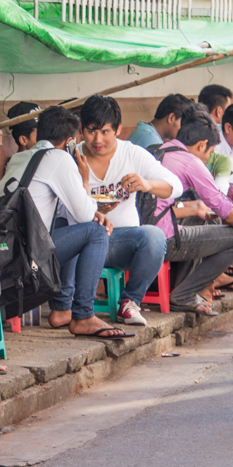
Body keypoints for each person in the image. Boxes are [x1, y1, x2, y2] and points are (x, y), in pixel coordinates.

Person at [0, 105, 126, 340]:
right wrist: (85, 181)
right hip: (25, 259)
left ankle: (62, 309)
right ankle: (83, 316)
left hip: (3, 252)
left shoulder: (21, 157)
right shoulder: (59, 158)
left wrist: (90, 211)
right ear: (70, 142)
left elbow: (60, 208)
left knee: (72, 225)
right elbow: (82, 215)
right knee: (96, 233)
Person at [77, 95, 178, 326]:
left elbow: (175, 186)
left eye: (105, 132)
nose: (97, 139)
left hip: (120, 242)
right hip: (82, 242)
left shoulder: (131, 153)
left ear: (118, 129)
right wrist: (91, 207)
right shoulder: (73, 157)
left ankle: (129, 303)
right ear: (81, 129)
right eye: (91, 131)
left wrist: (147, 184)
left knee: (154, 236)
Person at [153, 114, 233, 316]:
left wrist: (195, 208)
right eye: (210, 152)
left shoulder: (160, 151)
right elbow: (226, 212)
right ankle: (185, 294)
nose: (208, 158)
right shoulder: (191, 162)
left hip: (147, 232)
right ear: (202, 145)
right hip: (163, 239)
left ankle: (185, 289)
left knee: (201, 217)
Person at [128, 94, 192, 149]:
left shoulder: (147, 131)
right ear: (171, 118)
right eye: (183, 123)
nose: (185, 129)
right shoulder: (151, 138)